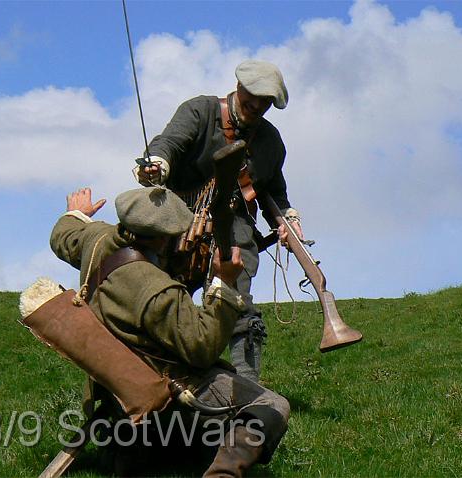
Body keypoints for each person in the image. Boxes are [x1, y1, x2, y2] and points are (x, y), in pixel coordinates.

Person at [50, 186, 290, 477]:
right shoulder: (157, 291)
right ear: (165, 238)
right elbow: (202, 348)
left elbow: (63, 235)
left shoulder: (96, 238)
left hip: (115, 393)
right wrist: (224, 285)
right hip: (163, 389)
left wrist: (78, 214)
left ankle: (139, 451)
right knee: (272, 405)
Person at [133, 59, 304, 382]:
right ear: (238, 87)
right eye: (251, 96)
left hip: (234, 225)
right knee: (160, 297)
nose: (256, 106)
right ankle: (152, 377)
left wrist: (287, 220)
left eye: (264, 102)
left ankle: (247, 387)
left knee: (239, 304)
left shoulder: (270, 141)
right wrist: (156, 165)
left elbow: (274, 192)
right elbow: (168, 143)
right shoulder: (200, 111)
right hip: (179, 217)